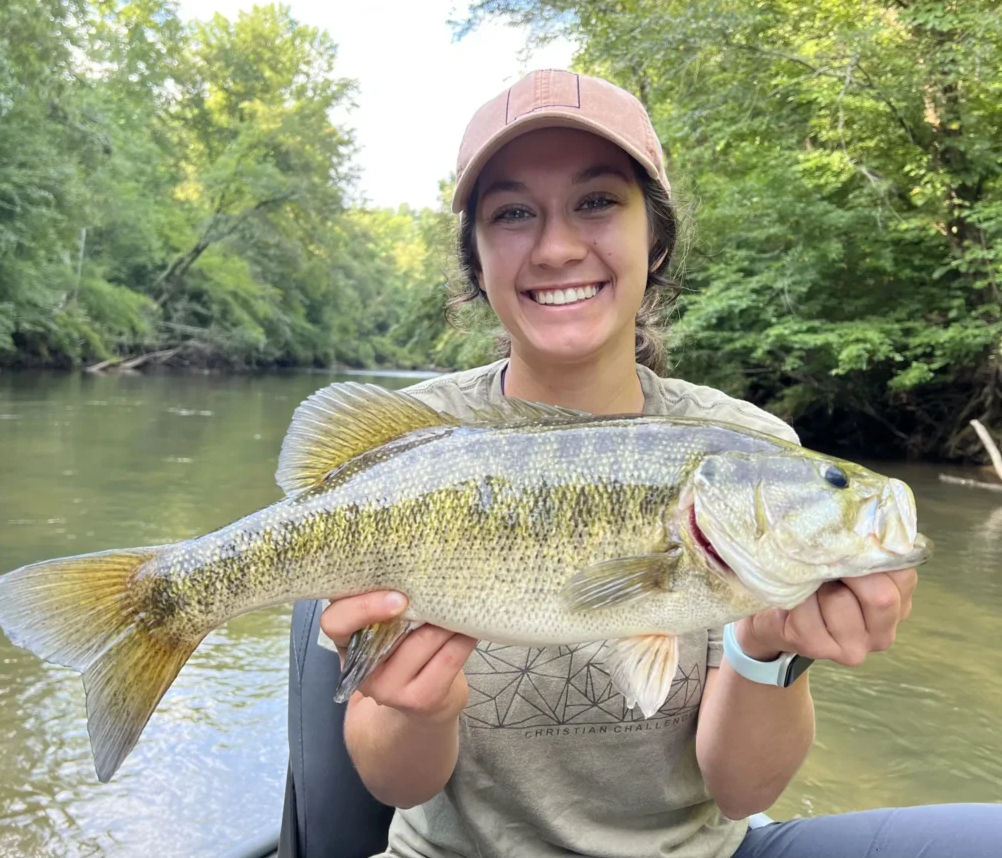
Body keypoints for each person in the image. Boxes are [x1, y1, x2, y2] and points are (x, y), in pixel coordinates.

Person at [278, 70, 1000, 858]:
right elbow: (398, 785)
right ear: (476, 262)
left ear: (654, 238)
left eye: (596, 202)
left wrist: (766, 649)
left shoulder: (746, 441)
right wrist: (418, 708)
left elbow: (743, 792)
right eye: (513, 213)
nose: (556, 247)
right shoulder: (410, 442)